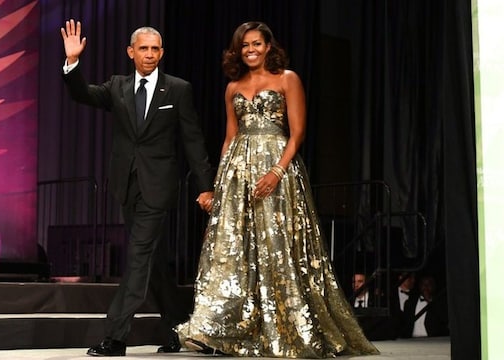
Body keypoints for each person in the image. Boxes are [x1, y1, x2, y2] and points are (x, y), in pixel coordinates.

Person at [175, 21, 380, 358]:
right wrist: (218, 186)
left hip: (278, 168)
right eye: (245, 45)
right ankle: (223, 329)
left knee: (277, 246)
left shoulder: (288, 78)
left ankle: (285, 326)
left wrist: (276, 171)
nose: (251, 50)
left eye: (257, 43)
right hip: (238, 171)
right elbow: (229, 137)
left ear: (269, 46)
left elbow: (297, 133)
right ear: (238, 50)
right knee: (234, 251)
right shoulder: (232, 87)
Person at [60, 19, 215, 356]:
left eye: (155, 49)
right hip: (126, 187)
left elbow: (192, 140)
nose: (149, 54)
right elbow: (82, 94)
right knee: (153, 262)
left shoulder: (177, 89)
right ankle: (179, 330)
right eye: (143, 48)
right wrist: (72, 63)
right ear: (131, 52)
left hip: (158, 188)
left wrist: (205, 186)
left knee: (138, 257)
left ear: (162, 52)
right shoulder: (117, 86)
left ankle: (116, 337)